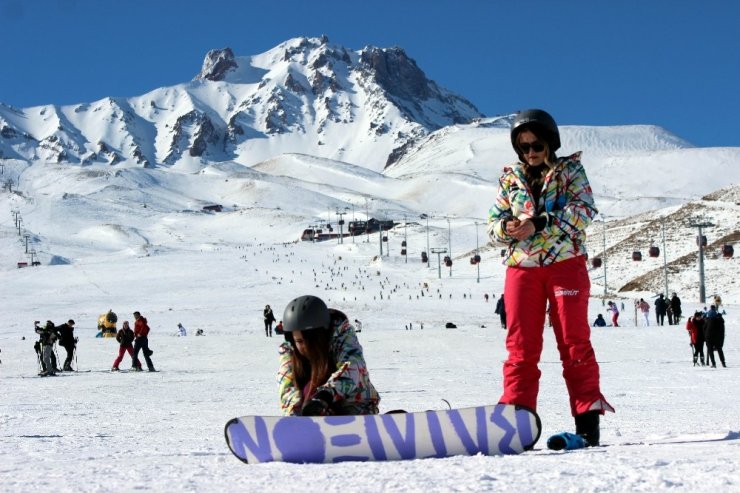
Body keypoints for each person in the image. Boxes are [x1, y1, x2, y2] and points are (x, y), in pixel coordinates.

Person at [487, 109, 613, 448]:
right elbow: (492, 224)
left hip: (564, 264)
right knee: (520, 347)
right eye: (523, 146)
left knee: (574, 343)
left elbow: (583, 211)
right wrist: (506, 228)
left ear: (551, 143)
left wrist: (538, 223)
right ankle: (518, 419)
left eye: (537, 144)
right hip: (521, 268)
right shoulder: (510, 179)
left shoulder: (570, 170)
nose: (530, 152)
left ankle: (587, 423)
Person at [277, 295, 380, 416]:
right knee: (306, 389)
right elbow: (287, 386)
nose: (305, 347)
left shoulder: (342, 337)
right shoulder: (289, 351)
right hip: (313, 411)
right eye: (299, 341)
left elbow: (352, 367)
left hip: (356, 410)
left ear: (321, 336)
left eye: (310, 340)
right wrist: (296, 414)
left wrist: (325, 395)